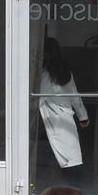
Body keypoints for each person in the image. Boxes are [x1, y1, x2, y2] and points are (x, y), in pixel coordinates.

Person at [35, 37, 91, 185]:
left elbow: (38, 99)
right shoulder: (65, 72)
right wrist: (82, 116)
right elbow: (75, 96)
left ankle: (78, 192)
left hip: (55, 122)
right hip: (67, 119)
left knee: (65, 162)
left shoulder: (47, 76)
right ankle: (81, 190)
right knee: (71, 160)